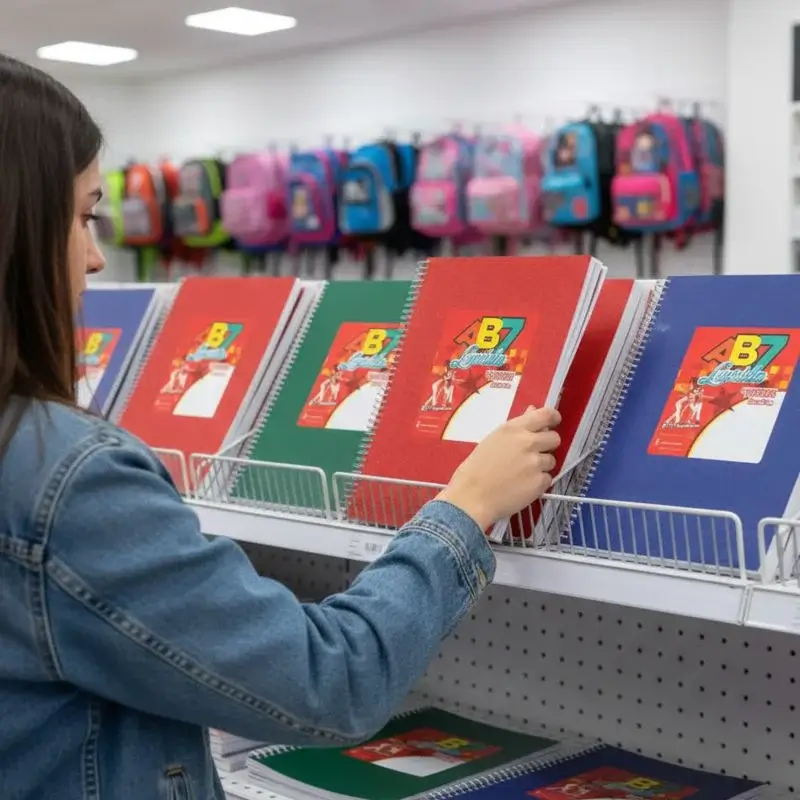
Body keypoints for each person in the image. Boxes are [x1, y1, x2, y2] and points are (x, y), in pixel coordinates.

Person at [0, 53, 561, 799]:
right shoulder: (62, 477)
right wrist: (465, 509)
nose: (98, 255)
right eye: (83, 216)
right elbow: (332, 680)